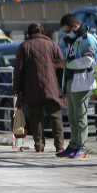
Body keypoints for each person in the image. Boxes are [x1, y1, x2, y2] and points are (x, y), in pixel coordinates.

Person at [14, 24, 65, 154]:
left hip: (32, 88)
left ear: (28, 33)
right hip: (52, 87)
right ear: (43, 32)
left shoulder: (24, 46)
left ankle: (39, 145)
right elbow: (61, 66)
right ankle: (59, 146)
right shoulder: (53, 45)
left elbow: (18, 71)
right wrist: (60, 87)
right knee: (55, 117)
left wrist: (17, 89)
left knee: (36, 117)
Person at [58, 13, 97, 159]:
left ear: (74, 26)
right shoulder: (74, 39)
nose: (65, 32)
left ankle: (81, 147)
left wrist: (67, 64)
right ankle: (74, 144)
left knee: (81, 117)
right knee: (72, 116)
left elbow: (89, 61)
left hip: (83, 82)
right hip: (72, 82)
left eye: (66, 29)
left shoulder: (87, 39)